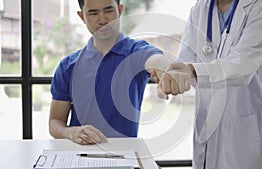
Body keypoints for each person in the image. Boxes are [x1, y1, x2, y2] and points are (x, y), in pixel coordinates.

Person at [49, 0, 191, 145]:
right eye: (93, 13)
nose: (103, 19)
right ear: (82, 16)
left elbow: (155, 60)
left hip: (124, 157)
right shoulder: (68, 66)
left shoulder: (135, 51)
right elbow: (55, 121)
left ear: (120, 10)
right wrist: (70, 132)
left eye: (109, 10)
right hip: (78, 155)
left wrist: (169, 69)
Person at [158, 0, 262, 168]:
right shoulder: (200, 9)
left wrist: (192, 70)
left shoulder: (260, 7)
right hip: (207, 122)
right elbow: (186, 59)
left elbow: (242, 64)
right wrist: (171, 76)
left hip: (244, 127)